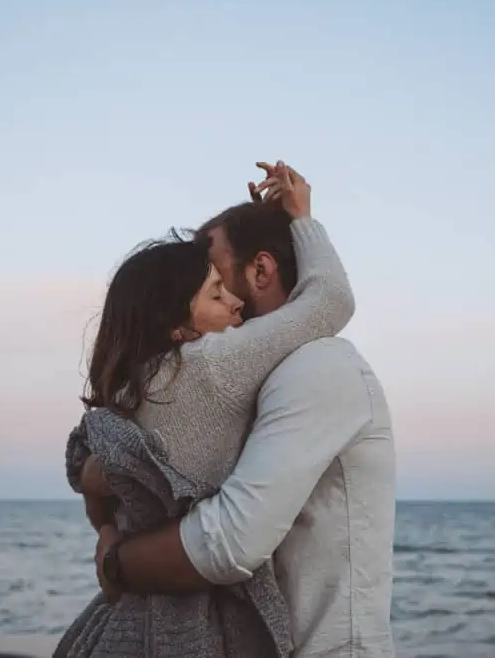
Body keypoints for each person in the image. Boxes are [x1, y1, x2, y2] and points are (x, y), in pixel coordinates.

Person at [81, 167, 397, 657]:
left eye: (212, 272)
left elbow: (230, 539)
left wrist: (115, 561)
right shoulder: (231, 376)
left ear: (262, 271)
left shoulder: (321, 365)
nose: (215, 293)